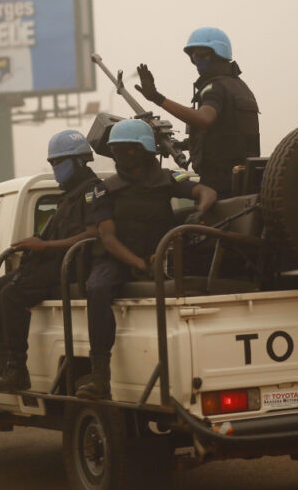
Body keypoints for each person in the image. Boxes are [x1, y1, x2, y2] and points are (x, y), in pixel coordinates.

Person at [77, 119, 217, 399]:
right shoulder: (102, 189)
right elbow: (108, 239)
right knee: (97, 288)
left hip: (161, 255)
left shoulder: (167, 179)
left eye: (126, 149)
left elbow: (207, 191)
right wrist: (140, 265)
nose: (119, 155)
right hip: (116, 260)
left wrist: (199, 210)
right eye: (115, 149)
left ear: (143, 150)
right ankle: (101, 375)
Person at [0, 130, 102, 392]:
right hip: (55, 263)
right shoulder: (70, 193)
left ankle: (17, 369)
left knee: (12, 293)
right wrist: (36, 242)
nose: (54, 169)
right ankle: (2, 360)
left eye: (57, 163)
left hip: (72, 266)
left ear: (77, 161)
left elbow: (93, 234)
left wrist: (44, 246)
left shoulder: (91, 191)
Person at [134, 27, 260, 198]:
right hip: (244, 181)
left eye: (203, 55)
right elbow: (228, 136)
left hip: (220, 185)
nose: (198, 61)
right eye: (194, 57)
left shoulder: (215, 87)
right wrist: (182, 145)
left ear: (219, 54)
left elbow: (204, 119)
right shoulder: (240, 87)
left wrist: (157, 98)